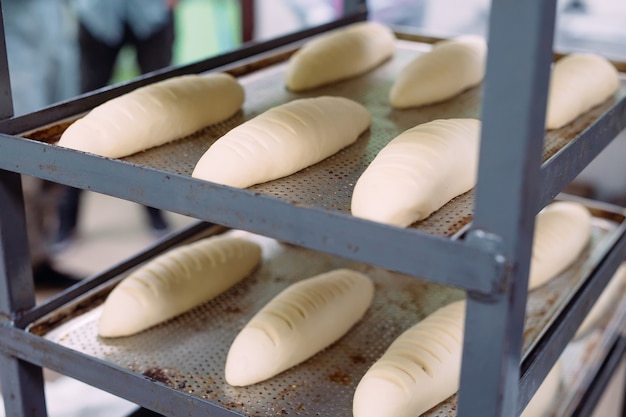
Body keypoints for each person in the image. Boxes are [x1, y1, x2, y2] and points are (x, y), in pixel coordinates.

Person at [54, 0, 178, 247]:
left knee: (157, 110)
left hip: (152, 11)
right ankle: (66, 217)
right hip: (97, 11)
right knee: (82, 113)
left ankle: (155, 209)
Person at [3, 0, 81, 286]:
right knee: (20, 174)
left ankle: (39, 260)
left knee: (56, 163)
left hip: (55, 43)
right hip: (14, 58)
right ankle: (21, 271)